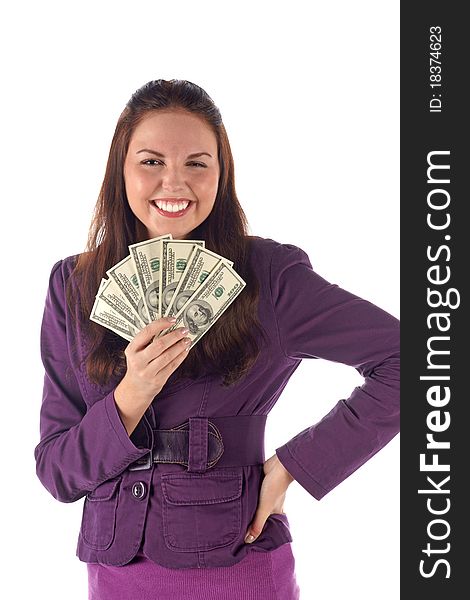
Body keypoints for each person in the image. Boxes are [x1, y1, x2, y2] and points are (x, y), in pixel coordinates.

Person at [34, 79, 400, 600]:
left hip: (237, 568)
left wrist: (294, 466)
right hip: (114, 572)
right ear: (121, 170)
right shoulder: (72, 285)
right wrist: (131, 395)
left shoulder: (270, 276)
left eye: (197, 163)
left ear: (221, 175)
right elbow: (57, 473)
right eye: (152, 161)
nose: (174, 183)